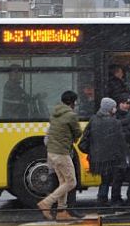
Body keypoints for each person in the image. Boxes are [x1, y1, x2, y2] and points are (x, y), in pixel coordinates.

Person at [37, 91, 82, 221]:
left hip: (51, 153)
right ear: (73, 102)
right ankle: (47, 202)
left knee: (63, 181)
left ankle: (61, 211)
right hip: (62, 152)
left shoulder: (55, 113)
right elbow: (78, 132)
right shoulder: (71, 115)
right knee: (71, 182)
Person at [85, 98, 128, 207]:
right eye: (114, 107)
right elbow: (121, 141)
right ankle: (115, 199)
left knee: (104, 179)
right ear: (109, 108)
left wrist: (92, 151)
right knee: (116, 179)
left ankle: (101, 199)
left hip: (98, 157)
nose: (115, 109)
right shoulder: (115, 122)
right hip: (113, 157)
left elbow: (85, 138)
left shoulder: (93, 119)